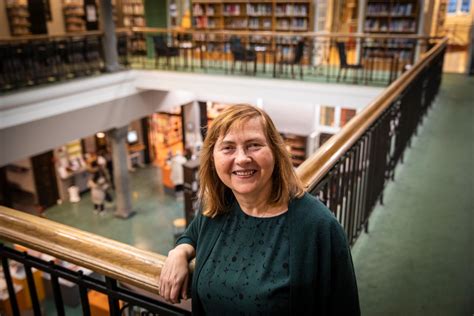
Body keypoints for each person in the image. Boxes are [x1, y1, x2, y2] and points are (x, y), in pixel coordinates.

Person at [159, 104, 360, 315]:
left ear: (275, 151)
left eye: (254, 145)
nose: (242, 158)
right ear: (212, 159)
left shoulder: (319, 226)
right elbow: (192, 235)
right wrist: (179, 252)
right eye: (228, 148)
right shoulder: (217, 206)